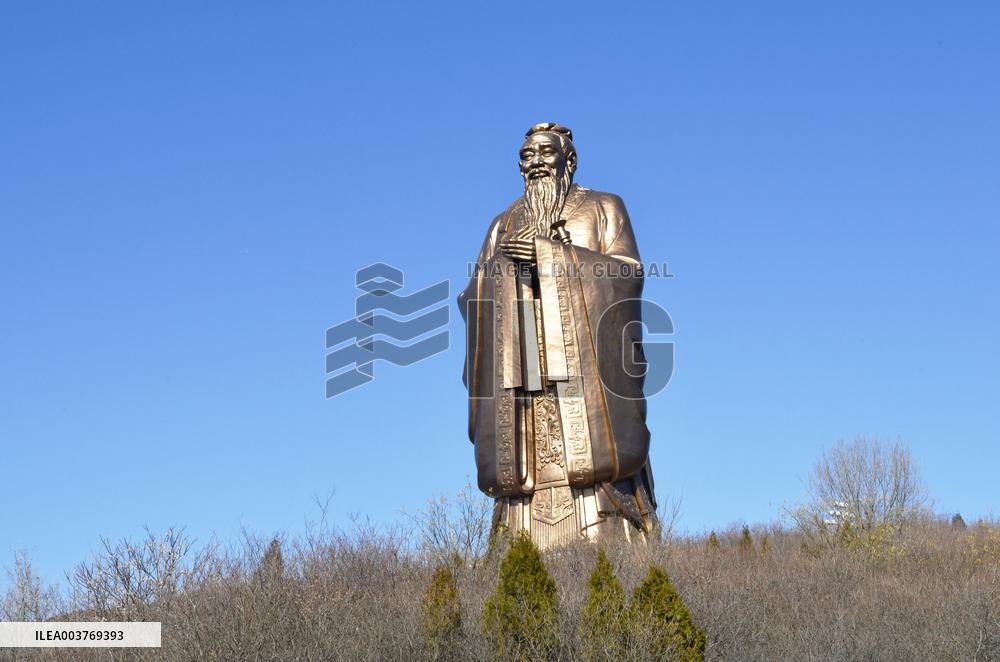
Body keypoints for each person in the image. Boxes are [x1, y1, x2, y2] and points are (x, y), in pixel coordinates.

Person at [459, 123, 657, 549]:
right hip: (522, 393)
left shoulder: (604, 208)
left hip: (585, 389)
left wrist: (552, 258)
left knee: (598, 509)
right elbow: (472, 297)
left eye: (543, 154)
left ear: (569, 159)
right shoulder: (503, 223)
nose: (533, 164)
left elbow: (627, 275)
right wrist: (505, 273)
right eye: (525, 157)